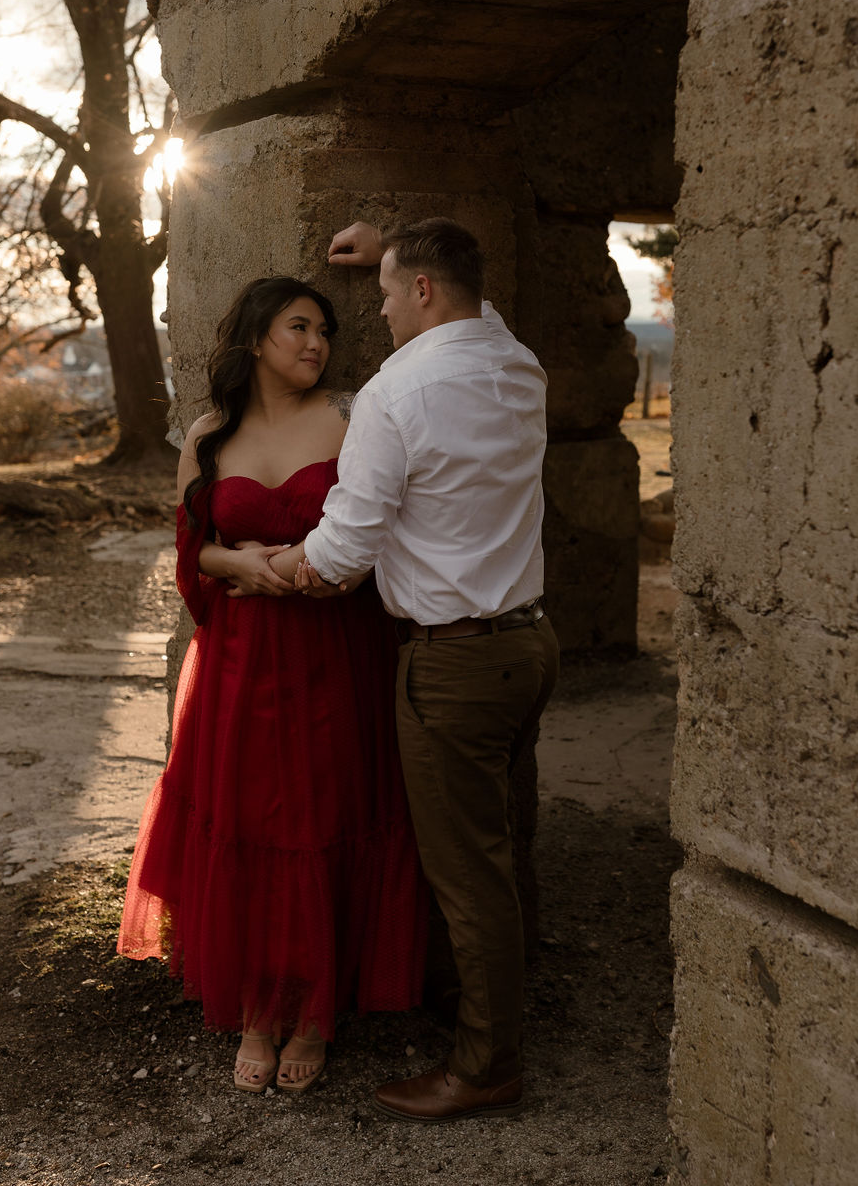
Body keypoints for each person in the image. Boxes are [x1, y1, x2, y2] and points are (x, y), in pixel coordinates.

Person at [267, 219, 559, 1122]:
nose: (381, 310)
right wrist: (397, 245)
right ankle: (488, 1004)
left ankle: (486, 1066)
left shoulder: (396, 392)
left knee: (466, 872)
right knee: (501, 843)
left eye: (391, 293)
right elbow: (474, 304)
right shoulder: (516, 361)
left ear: (424, 291)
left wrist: (267, 569)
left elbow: (345, 548)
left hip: (456, 666)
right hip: (529, 645)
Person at [117, 276, 427, 1096]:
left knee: (328, 814)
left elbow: (385, 533)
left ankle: (316, 1012)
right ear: (256, 337)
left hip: (336, 649)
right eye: (298, 327)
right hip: (241, 659)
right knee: (251, 821)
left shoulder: (352, 420)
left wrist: (298, 572)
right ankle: (258, 1006)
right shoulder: (210, 434)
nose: (316, 344)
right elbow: (192, 550)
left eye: (324, 330)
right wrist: (236, 561)